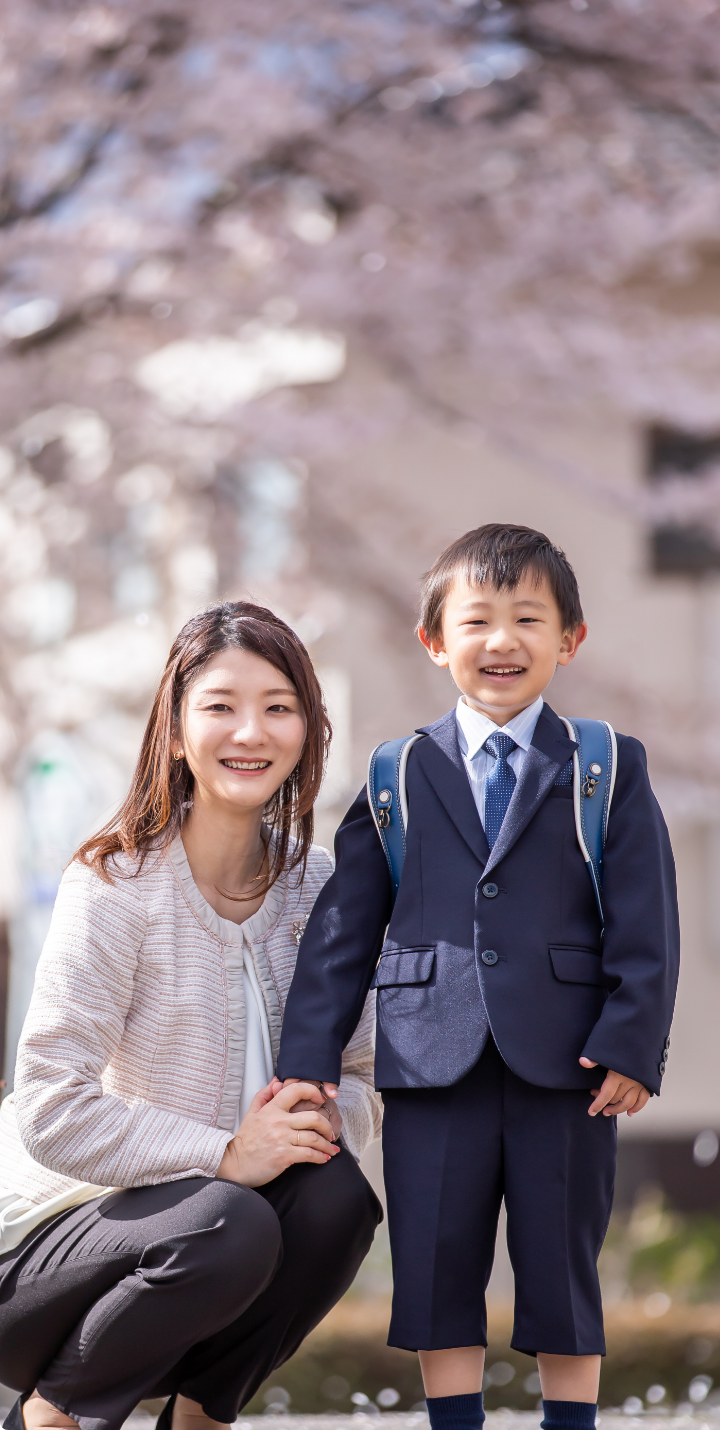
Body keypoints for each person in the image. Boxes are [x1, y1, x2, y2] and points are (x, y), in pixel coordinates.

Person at [277, 524, 680, 1430]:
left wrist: (632, 1044)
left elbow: (648, 921)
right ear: (435, 640)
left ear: (569, 640)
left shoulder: (605, 766)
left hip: (571, 1066)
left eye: (528, 619)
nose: (502, 641)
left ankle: (569, 1424)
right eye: (478, 621)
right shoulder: (395, 774)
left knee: (561, 1259)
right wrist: (307, 1062)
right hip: (429, 1061)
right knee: (433, 1256)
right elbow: (343, 932)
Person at [0, 601, 382, 1430]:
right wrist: (227, 1153)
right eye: (220, 706)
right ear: (175, 732)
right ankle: (53, 1415)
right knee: (228, 1217)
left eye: (278, 707)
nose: (251, 730)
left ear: (309, 731)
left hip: (206, 1243)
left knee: (337, 1202)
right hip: (45, 1246)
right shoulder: (113, 887)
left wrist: (311, 1125)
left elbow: (358, 1075)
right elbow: (47, 1106)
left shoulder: (317, 888)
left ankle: (201, 1418)